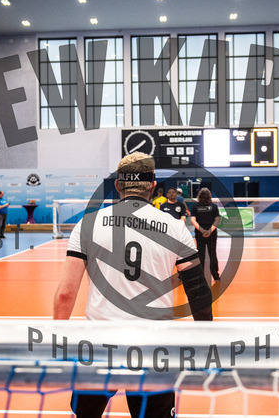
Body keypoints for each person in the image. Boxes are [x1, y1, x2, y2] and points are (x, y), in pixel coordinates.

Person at [53, 152, 212, 418]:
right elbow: (198, 292)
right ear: (153, 186)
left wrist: (55, 342)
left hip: (99, 346)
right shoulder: (175, 228)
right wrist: (207, 342)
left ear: (118, 185)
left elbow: (65, 294)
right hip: (154, 348)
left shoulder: (88, 224)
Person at [190, 188, 221, 282]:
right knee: (213, 254)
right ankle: (216, 276)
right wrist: (210, 231)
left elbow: (193, 220)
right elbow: (217, 220)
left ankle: (200, 276)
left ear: (199, 196)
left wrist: (202, 230)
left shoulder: (195, 207)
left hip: (200, 234)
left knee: (200, 255)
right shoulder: (214, 206)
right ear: (209, 196)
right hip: (212, 234)